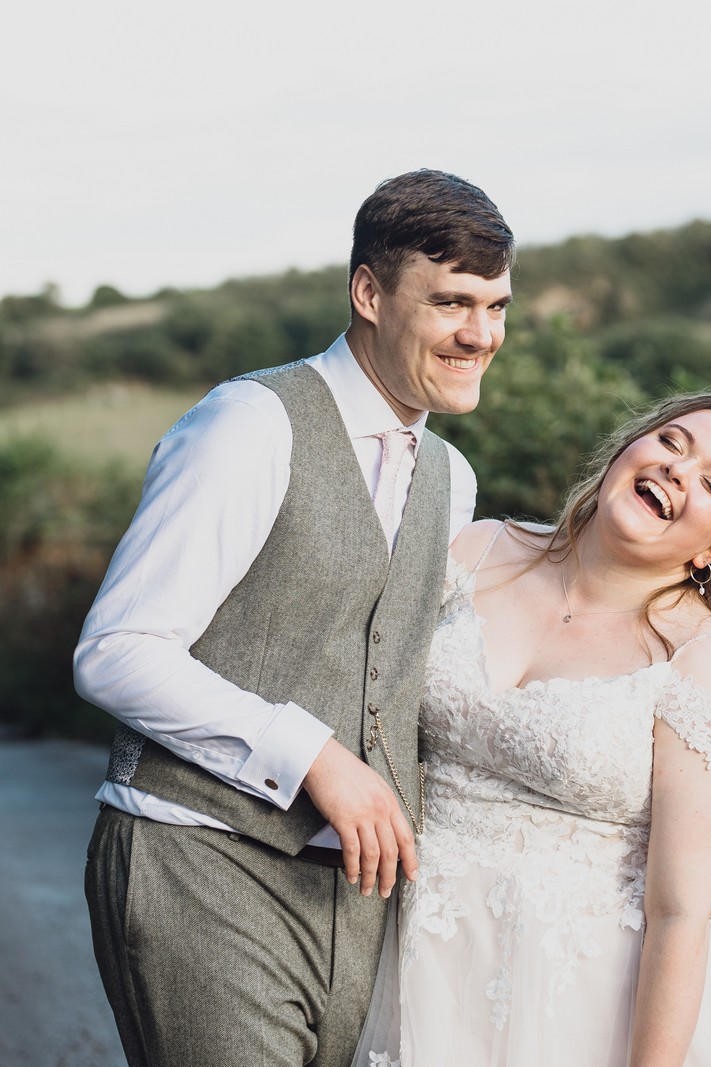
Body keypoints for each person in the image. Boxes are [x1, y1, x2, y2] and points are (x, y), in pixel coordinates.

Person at [76, 169, 515, 1067]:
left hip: (356, 903)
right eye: (451, 302)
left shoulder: (452, 479)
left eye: (496, 306)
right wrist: (313, 754)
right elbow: (116, 650)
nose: (480, 334)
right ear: (369, 293)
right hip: (201, 859)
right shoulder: (251, 423)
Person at [353, 393, 711, 1066]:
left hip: (579, 1007)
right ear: (626, 451)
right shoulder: (475, 548)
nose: (678, 470)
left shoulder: (708, 669)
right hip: (398, 949)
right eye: (671, 443)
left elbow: (681, 916)